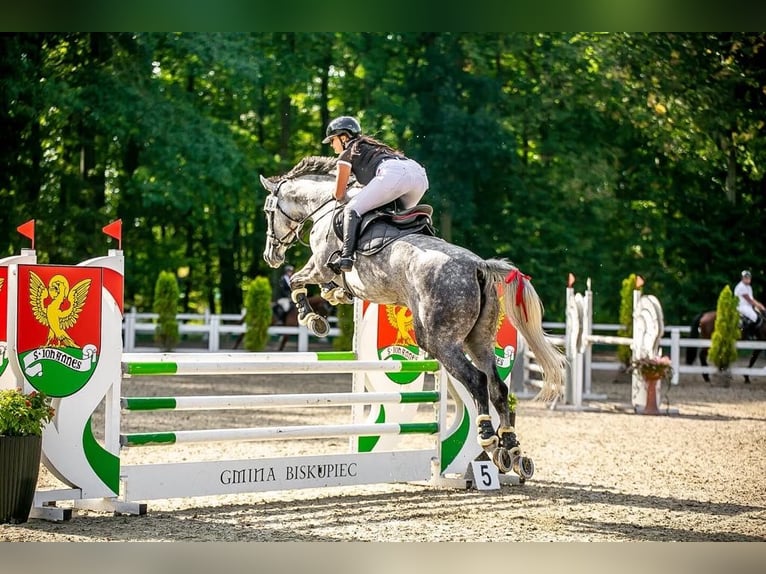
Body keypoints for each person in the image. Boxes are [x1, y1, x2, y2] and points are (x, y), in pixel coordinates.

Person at [322, 115, 429, 272]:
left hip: (394, 175)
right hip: (418, 175)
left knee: (352, 209)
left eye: (332, 140)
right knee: (394, 216)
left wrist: (336, 194)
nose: (331, 145)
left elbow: (339, 194)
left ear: (344, 137)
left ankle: (346, 257)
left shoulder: (347, 154)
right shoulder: (373, 148)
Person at [734, 270, 766, 339]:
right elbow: (749, 299)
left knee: (760, 316)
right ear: (742, 278)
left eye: (749, 277)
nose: (748, 279)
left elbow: (752, 299)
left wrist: (760, 305)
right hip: (741, 306)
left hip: (748, 306)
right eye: (746, 277)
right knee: (755, 317)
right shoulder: (741, 286)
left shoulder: (749, 287)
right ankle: (749, 334)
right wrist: (758, 305)